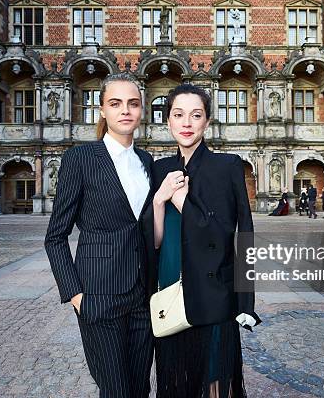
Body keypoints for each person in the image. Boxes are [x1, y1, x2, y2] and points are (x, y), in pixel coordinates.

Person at [142, 83, 261, 398]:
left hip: (214, 296)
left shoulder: (228, 166)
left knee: (214, 385)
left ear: (207, 122)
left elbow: (239, 236)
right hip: (169, 291)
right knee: (175, 382)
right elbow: (154, 241)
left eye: (196, 115)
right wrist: (158, 201)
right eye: (178, 115)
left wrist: (246, 302)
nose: (186, 123)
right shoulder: (159, 169)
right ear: (167, 121)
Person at [44, 72, 154, 398]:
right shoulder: (79, 159)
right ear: (102, 110)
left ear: (142, 109)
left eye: (133, 103)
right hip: (98, 296)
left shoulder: (147, 161)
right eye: (115, 103)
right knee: (115, 391)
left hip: (141, 297)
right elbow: (55, 236)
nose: (125, 110)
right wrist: (76, 297)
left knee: (139, 389)